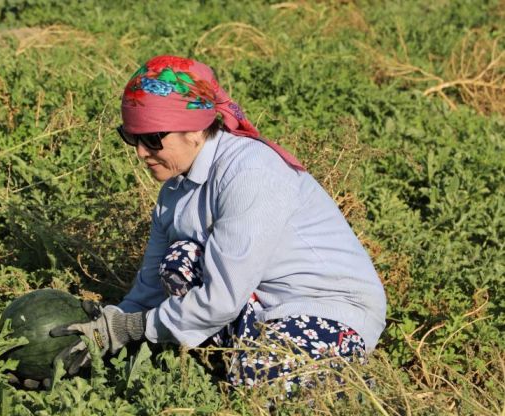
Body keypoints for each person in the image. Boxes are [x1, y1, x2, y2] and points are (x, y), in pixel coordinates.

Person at [50, 55, 386, 393]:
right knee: (180, 257)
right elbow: (149, 288)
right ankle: (242, 360)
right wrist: (105, 330)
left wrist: (132, 327)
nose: (140, 152)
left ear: (194, 130)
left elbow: (221, 298)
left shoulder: (250, 172)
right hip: (259, 305)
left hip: (325, 307)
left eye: (152, 138)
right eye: (130, 137)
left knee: (262, 390)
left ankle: (346, 384)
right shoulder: (174, 192)